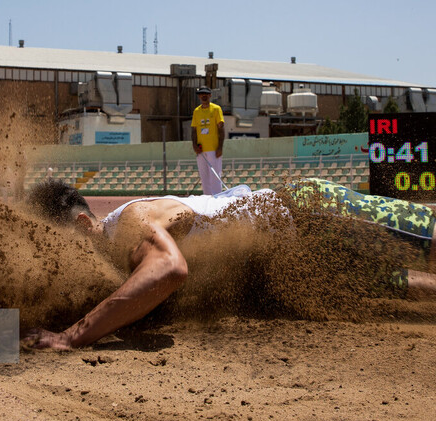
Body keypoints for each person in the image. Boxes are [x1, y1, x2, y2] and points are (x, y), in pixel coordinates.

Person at [23, 178, 436, 350]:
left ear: (81, 222)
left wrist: (72, 335)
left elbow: (170, 269)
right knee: (401, 284)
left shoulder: (126, 224)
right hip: (299, 264)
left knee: (429, 245)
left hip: (313, 213)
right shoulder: (114, 257)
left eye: (57, 244)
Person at [191, 86, 225, 195]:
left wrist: (220, 147)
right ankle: (207, 199)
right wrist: (194, 145)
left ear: (210, 95)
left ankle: (217, 199)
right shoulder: (196, 111)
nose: (203, 96)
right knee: (204, 177)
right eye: (201, 94)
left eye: (206, 94)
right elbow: (194, 129)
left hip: (213, 148)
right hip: (201, 149)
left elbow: (221, 128)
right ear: (199, 96)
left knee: (215, 176)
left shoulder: (216, 109)